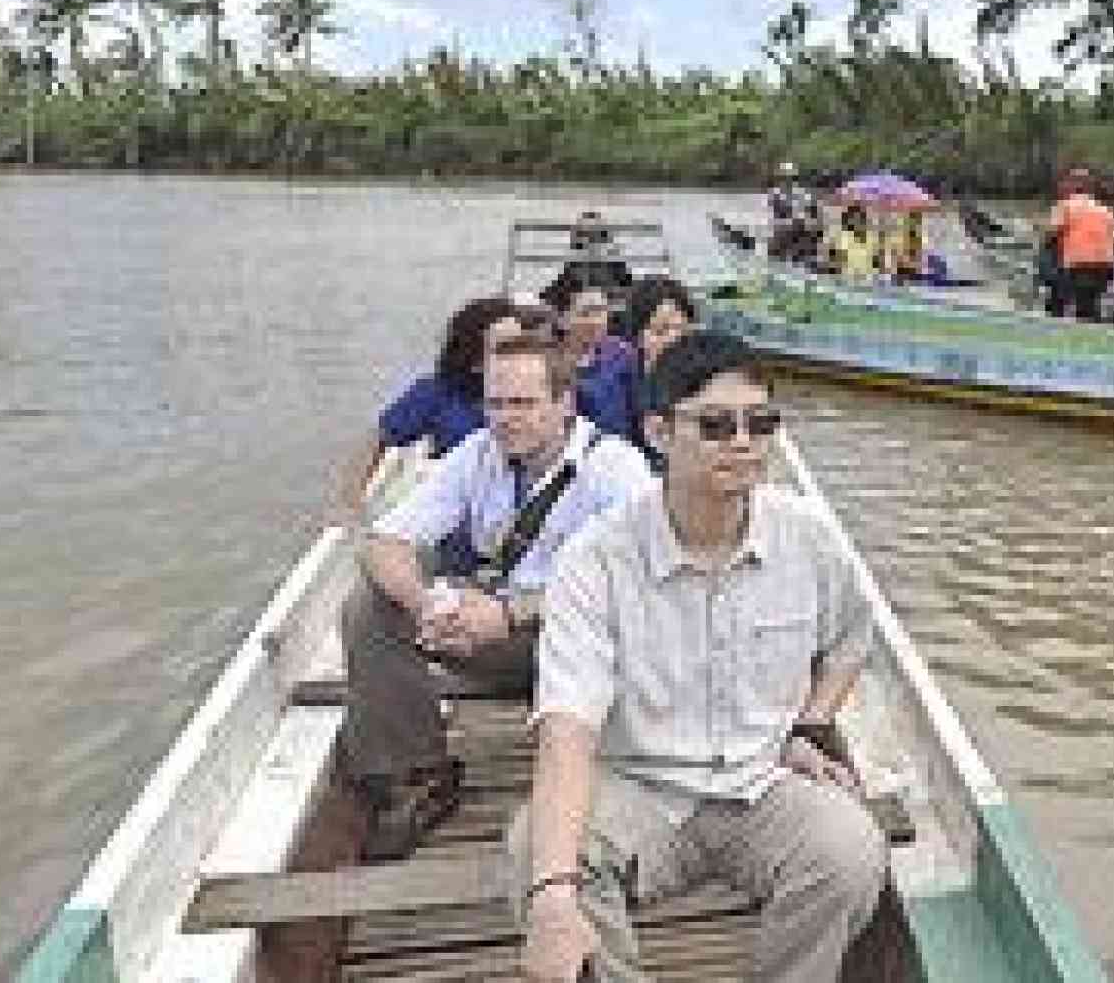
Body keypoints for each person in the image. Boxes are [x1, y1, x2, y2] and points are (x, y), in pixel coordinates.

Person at [514, 330, 886, 983]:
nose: (743, 442)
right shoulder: (596, 562)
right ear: (657, 433)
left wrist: (809, 725)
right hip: (637, 789)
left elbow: (851, 642)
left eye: (760, 422)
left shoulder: (807, 536)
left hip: (758, 781)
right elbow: (567, 731)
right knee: (535, 856)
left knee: (851, 852)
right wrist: (551, 891)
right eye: (715, 425)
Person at [340, 337, 654, 861]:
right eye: (495, 404)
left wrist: (510, 614)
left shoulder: (616, 470)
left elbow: (636, 578)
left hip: (587, 645)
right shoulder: (477, 454)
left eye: (524, 404)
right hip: (499, 633)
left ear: (564, 402)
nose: (506, 419)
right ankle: (418, 771)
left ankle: (621, 772)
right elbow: (385, 542)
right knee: (369, 606)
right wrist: (427, 606)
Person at [340, 296, 528, 512]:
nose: (519, 356)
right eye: (506, 349)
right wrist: (351, 503)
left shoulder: (546, 391)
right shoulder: (438, 392)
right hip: (457, 504)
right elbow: (376, 440)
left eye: (522, 345)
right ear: (475, 357)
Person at [618, 275, 698, 469]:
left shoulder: (707, 383)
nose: (673, 340)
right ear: (637, 336)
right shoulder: (616, 387)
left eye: (681, 330)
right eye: (660, 331)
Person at [564, 285, 641, 445]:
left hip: (616, 447)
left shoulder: (624, 355)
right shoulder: (553, 359)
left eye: (600, 312)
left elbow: (636, 409)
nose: (594, 321)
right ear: (565, 318)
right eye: (585, 313)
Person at [1046, 168, 1114, 320]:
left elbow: (1052, 235)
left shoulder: (1066, 206)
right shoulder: (1105, 210)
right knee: (1089, 306)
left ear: (1072, 186)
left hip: (1078, 263)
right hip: (1105, 265)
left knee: (1059, 302)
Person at [542, 211, 635, 311]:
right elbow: (552, 295)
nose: (584, 239)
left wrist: (605, 300)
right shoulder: (573, 265)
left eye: (589, 235)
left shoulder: (616, 264)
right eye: (581, 234)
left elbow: (627, 294)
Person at [766, 162, 821, 265]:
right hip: (784, 230)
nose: (788, 180)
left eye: (791, 178)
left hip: (800, 230)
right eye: (785, 178)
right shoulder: (775, 193)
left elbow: (812, 213)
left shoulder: (803, 193)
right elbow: (777, 215)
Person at [823, 203, 881, 283]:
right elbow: (835, 266)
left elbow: (877, 263)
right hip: (849, 282)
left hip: (870, 281)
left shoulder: (871, 237)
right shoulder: (842, 237)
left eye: (860, 220)